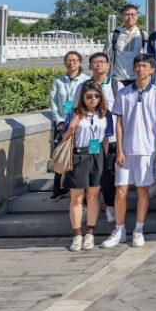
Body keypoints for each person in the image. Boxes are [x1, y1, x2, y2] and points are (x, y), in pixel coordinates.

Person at [101, 54, 156, 248]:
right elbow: (118, 122)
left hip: (147, 149)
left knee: (142, 190)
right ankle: (119, 229)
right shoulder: (124, 93)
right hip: (126, 150)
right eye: (137, 65)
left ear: (152, 70)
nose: (140, 69)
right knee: (120, 190)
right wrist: (119, 148)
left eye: (144, 66)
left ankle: (138, 229)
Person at [63, 81, 109, 251]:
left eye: (96, 96)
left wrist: (103, 159)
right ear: (82, 97)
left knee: (93, 196)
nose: (93, 99)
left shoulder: (104, 114)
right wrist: (71, 127)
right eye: (89, 96)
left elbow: (105, 139)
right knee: (76, 198)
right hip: (78, 155)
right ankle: (77, 234)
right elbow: (65, 138)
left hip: (96, 155)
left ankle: (90, 232)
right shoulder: (75, 114)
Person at [80, 53, 117, 223]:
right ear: (90, 67)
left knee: (108, 175)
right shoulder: (83, 86)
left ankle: (110, 206)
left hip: (110, 137)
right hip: (87, 140)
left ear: (108, 66)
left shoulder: (116, 84)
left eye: (102, 62)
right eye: (95, 63)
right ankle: (87, 205)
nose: (98, 65)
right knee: (89, 174)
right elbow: (74, 108)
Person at [49, 51, 90, 201]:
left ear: (79, 63)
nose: (71, 63)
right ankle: (58, 189)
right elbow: (53, 102)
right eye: (68, 60)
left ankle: (82, 190)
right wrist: (59, 121)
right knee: (61, 154)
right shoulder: (59, 81)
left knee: (80, 157)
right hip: (62, 124)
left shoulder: (86, 80)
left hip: (80, 123)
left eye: (74, 60)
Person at [105, 4, 146, 91]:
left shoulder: (143, 35)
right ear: (122, 17)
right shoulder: (113, 35)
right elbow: (107, 57)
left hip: (137, 78)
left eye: (132, 14)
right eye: (126, 14)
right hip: (117, 79)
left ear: (137, 16)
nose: (129, 17)